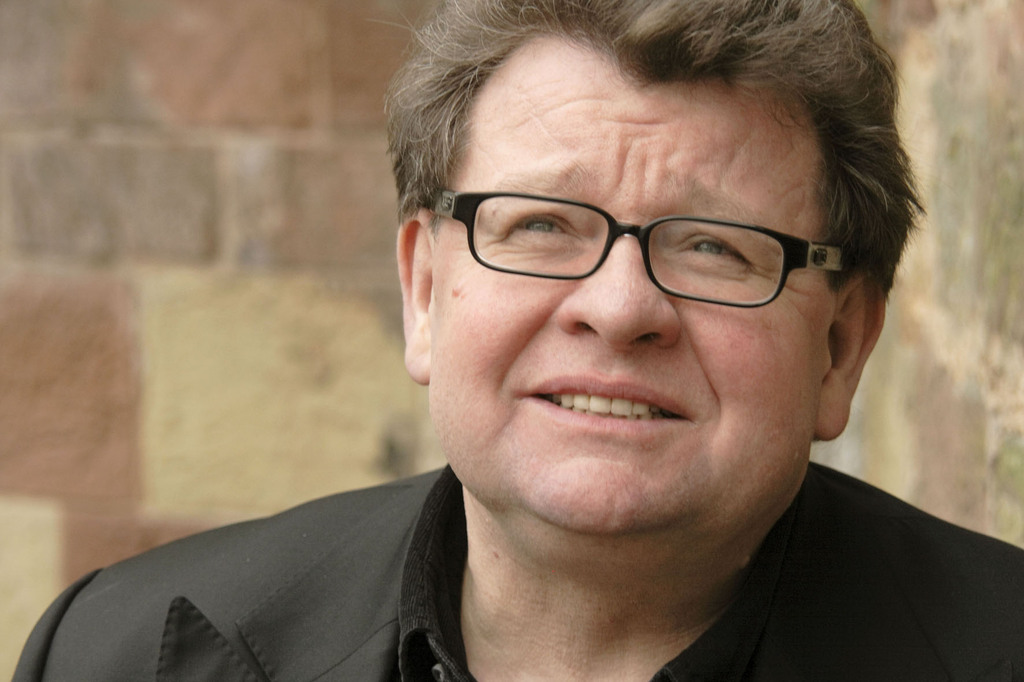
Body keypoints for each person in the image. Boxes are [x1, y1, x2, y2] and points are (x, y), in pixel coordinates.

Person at [15, 0, 1024, 680]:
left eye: (715, 246)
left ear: (841, 347)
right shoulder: (112, 654)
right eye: (541, 225)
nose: (618, 308)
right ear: (424, 291)